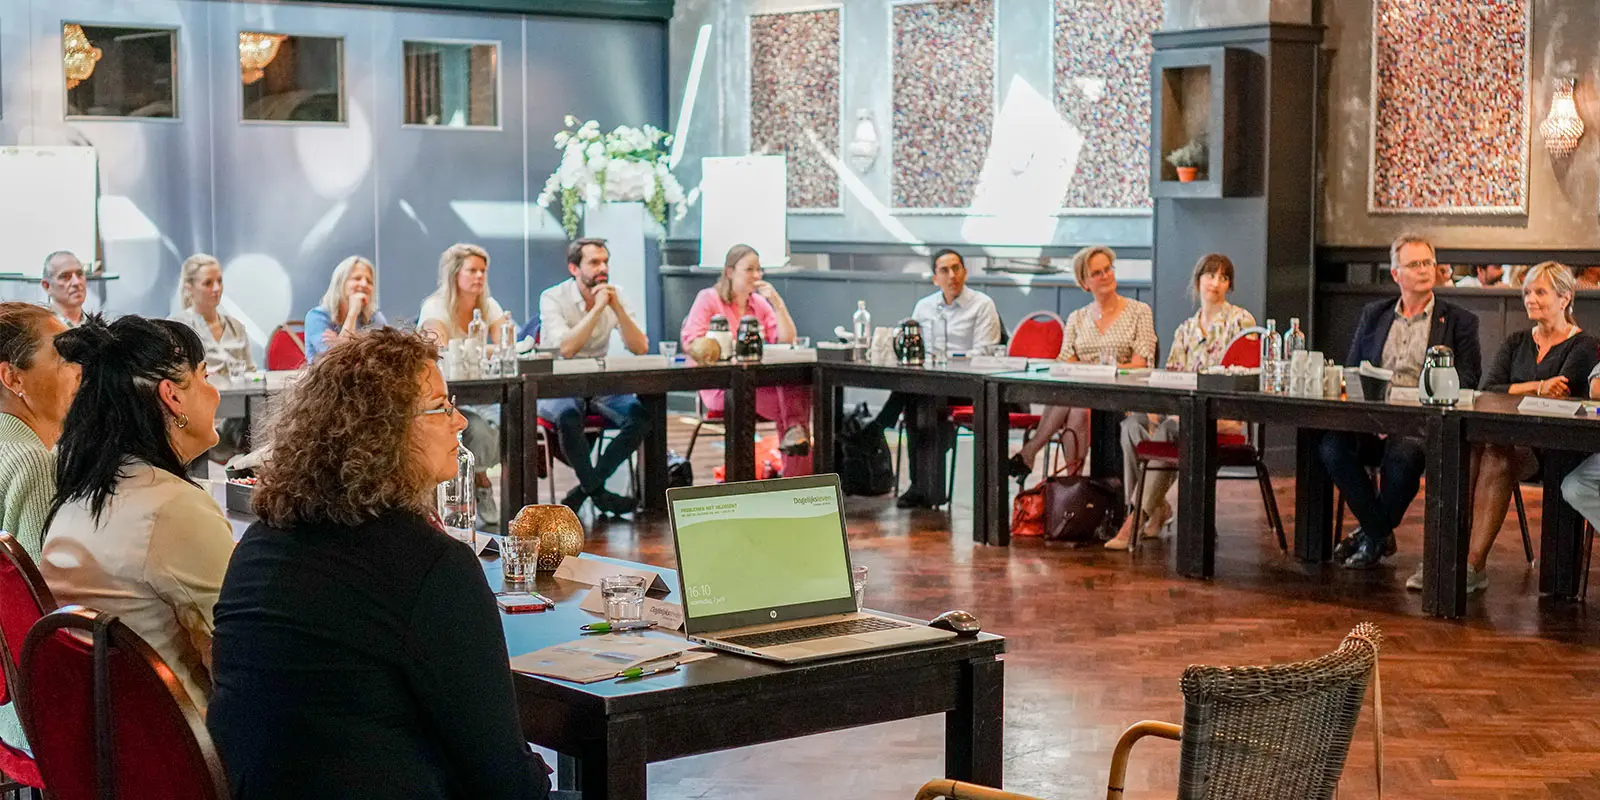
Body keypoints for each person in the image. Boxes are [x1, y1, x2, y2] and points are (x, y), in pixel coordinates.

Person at [208, 329, 550, 800]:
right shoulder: (431, 566)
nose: (460, 423)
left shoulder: (260, 544)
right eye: (440, 406)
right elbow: (505, 783)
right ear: (385, 429)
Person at [39, 314, 231, 707]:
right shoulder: (172, 509)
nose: (215, 393)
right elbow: (243, 659)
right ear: (172, 396)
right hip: (184, 750)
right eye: (206, 376)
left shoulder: (80, 498)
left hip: (107, 742)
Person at [1424, 263, 1594, 593]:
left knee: (1498, 456)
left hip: (1553, 450)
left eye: (1540, 292)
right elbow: (1490, 389)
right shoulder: (1516, 341)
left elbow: (1565, 392)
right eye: (1527, 292)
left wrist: (1520, 388)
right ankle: (1448, 558)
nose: (1530, 299)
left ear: (1565, 298)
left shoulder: (1583, 346)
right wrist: (1539, 386)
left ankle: (1472, 565)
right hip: (1503, 439)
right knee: (1470, 448)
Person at [1322, 233, 1482, 569]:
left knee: (1403, 456)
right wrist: (1375, 417)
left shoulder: (1459, 321)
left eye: (1428, 263)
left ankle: (1370, 535)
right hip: (1372, 419)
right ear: (1396, 274)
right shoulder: (1375, 314)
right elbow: (1354, 371)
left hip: (1421, 425)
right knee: (1331, 446)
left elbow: (1468, 379)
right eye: (1414, 264)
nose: (1424, 270)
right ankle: (1377, 532)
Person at [1106, 254, 1255, 550]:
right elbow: (1170, 379)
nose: (1215, 283)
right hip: (1181, 414)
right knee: (1132, 426)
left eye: (1223, 278)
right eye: (1210, 275)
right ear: (1198, 279)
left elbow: (1246, 379)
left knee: (1171, 431)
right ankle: (1156, 508)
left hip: (1222, 419)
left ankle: (1133, 522)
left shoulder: (1241, 321)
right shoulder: (1185, 329)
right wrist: (1157, 413)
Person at [0, 303, 79, 757]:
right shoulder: (31, 463)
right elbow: (47, 624)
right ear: (13, 378)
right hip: (35, 718)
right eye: (63, 358)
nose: (77, 372)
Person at [1009, 246, 1156, 479]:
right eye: (1097, 273)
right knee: (1077, 407)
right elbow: (1065, 360)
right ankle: (1073, 482)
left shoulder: (1139, 311)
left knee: (1075, 400)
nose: (1105, 275)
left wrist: (1096, 371)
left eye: (1108, 269)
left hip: (1122, 395)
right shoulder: (1077, 318)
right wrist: (1091, 374)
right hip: (1084, 396)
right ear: (1085, 282)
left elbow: (1141, 363)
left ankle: (1032, 451)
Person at [871, 249, 1002, 507]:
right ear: (935, 278)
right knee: (917, 398)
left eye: (956, 268)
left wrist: (950, 358)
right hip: (929, 382)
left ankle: (881, 432)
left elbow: (986, 351)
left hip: (968, 385)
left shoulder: (982, 305)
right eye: (945, 270)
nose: (952, 275)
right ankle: (924, 487)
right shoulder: (925, 306)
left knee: (918, 396)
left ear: (965, 272)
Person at [537, 238, 650, 515]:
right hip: (559, 382)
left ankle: (584, 491)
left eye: (605, 261)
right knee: (568, 416)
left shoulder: (616, 295)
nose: (603, 268)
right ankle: (600, 495)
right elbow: (566, 347)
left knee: (640, 417)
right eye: (594, 262)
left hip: (599, 383)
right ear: (574, 268)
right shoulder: (553, 297)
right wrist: (598, 308)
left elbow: (640, 347)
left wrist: (617, 308)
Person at [682, 244, 813, 478]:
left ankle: (795, 458)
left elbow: (786, 340)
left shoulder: (759, 304)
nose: (757, 276)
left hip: (756, 383)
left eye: (759, 270)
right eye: (750, 269)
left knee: (797, 385)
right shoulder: (709, 299)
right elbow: (691, 341)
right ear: (730, 272)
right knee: (792, 410)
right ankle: (797, 478)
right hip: (722, 386)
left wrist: (777, 303)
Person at [419, 243, 514, 526]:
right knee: (479, 430)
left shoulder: (489, 305)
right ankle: (480, 483)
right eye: (472, 270)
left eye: (483, 271)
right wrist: (481, 349)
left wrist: (477, 349)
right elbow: (439, 349)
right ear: (454, 274)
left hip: (484, 394)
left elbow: (506, 349)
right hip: (443, 397)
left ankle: (492, 487)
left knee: (513, 424)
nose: (479, 277)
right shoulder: (435, 306)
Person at [172, 253, 257, 461]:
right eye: (208, 283)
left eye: (219, 281)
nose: (216, 288)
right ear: (190, 288)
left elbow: (250, 372)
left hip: (240, 415)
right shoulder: (179, 328)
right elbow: (175, 377)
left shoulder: (236, 327)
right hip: (199, 415)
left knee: (261, 413)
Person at [305, 255, 387, 362]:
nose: (364, 284)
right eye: (357, 278)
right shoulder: (317, 317)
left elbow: (386, 355)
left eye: (369, 281)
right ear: (340, 283)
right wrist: (353, 313)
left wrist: (341, 342)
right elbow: (337, 361)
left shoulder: (374, 317)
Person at [40, 251, 88, 328]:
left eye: (79, 274)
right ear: (47, 286)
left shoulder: (99, 328)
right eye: (65, 276)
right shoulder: (39, 329)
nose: (76, 282)